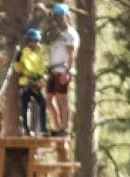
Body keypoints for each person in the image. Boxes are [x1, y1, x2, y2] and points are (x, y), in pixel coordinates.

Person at [47, 4, 80, 136]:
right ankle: (57, 126)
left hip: (63, 69)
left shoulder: (70, 33)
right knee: (48, 99)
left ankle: (64, 129)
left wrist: (67, 71)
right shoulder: (56, 34)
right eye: (57, 16)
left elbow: (72, 53)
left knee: (62, 99)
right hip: (53, 69)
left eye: (61, 16)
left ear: (66, 17)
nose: (59, 19)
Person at [14, 28, 50, 137]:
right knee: (25, 106)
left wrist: (43, 78)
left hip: (35, 83)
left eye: (37, 41)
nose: (36, 44)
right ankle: (26, 130)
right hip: (26, 83)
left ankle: (43, 128)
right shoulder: (23, 53)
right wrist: (17, 60)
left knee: (42, 104)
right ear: (29, 42)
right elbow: (18, 69)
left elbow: (42, 69)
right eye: (35, 41)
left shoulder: (38, 55)